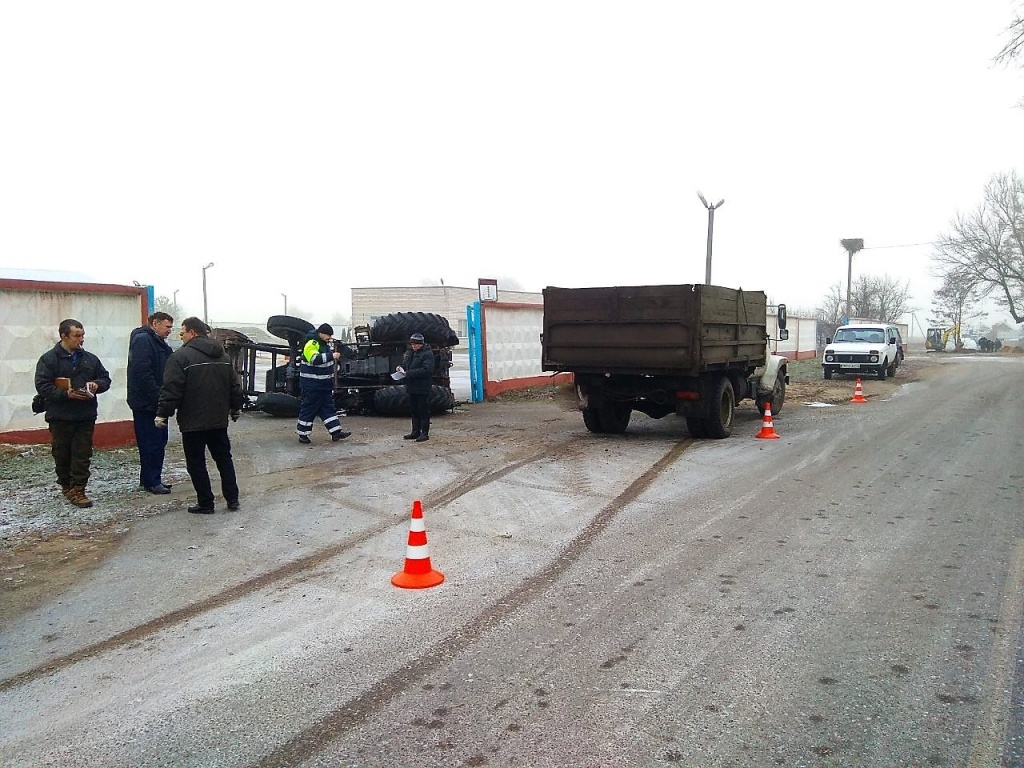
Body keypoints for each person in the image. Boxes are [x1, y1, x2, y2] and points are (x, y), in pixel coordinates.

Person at [155, 317, 245, 514]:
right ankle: (233, 499)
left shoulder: (180, 357)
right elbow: (235, 385)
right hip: (218, 421)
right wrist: (235, 408)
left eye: (182, 333)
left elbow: (172, 389)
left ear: (193, 333)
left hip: (192, 421)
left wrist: (163, 414)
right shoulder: (223, 356)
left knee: (196, 463)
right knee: (224, 459)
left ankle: (206, 503)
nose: (181, 337)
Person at [34, 319, 112, 508]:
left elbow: (105, 378)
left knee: (82, 454)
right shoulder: (49, 359)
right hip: (60, 416)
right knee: (62, 453)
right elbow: (42, 385)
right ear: (64, 336)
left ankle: (79, 489)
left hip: (84, 415)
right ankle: (66, 485)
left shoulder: (90, 359)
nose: (81, 339)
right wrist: (66, 393)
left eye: (83, 335)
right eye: (77, 336)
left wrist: (97, 385)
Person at [127, 311, 175, 494]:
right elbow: (142, 373)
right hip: (146, 403)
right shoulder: (143, 340)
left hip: (154, 402)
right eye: (167, 326)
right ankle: (151, 481)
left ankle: (152, 478)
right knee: (150, 442)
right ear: (155, 323)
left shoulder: (157, 342)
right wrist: (159, 396)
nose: (170, 330)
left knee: (159, 440)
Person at [295, 323, 351, 444]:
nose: (329, 338)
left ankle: (336, 432)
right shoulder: (312, 343)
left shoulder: (323, 344)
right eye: (328, 335)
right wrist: (332, 356)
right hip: (312, 385)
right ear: (321, 333)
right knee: (309, 409)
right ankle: (302, 434)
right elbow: (314, 359)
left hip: (323, 385)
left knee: (328, 409)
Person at [398, 332, 435, 442]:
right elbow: (406, 364)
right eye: (412, 344)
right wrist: (400, 368)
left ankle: (424, 433)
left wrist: (409, 374)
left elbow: (427, 370)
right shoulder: (410, 353)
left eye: (415, 344)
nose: (413, 346)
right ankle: (415, 432)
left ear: (421, 344)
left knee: (423, 410)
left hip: (423, 387)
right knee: (414, 410)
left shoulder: (427, 354)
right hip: (412, 386)